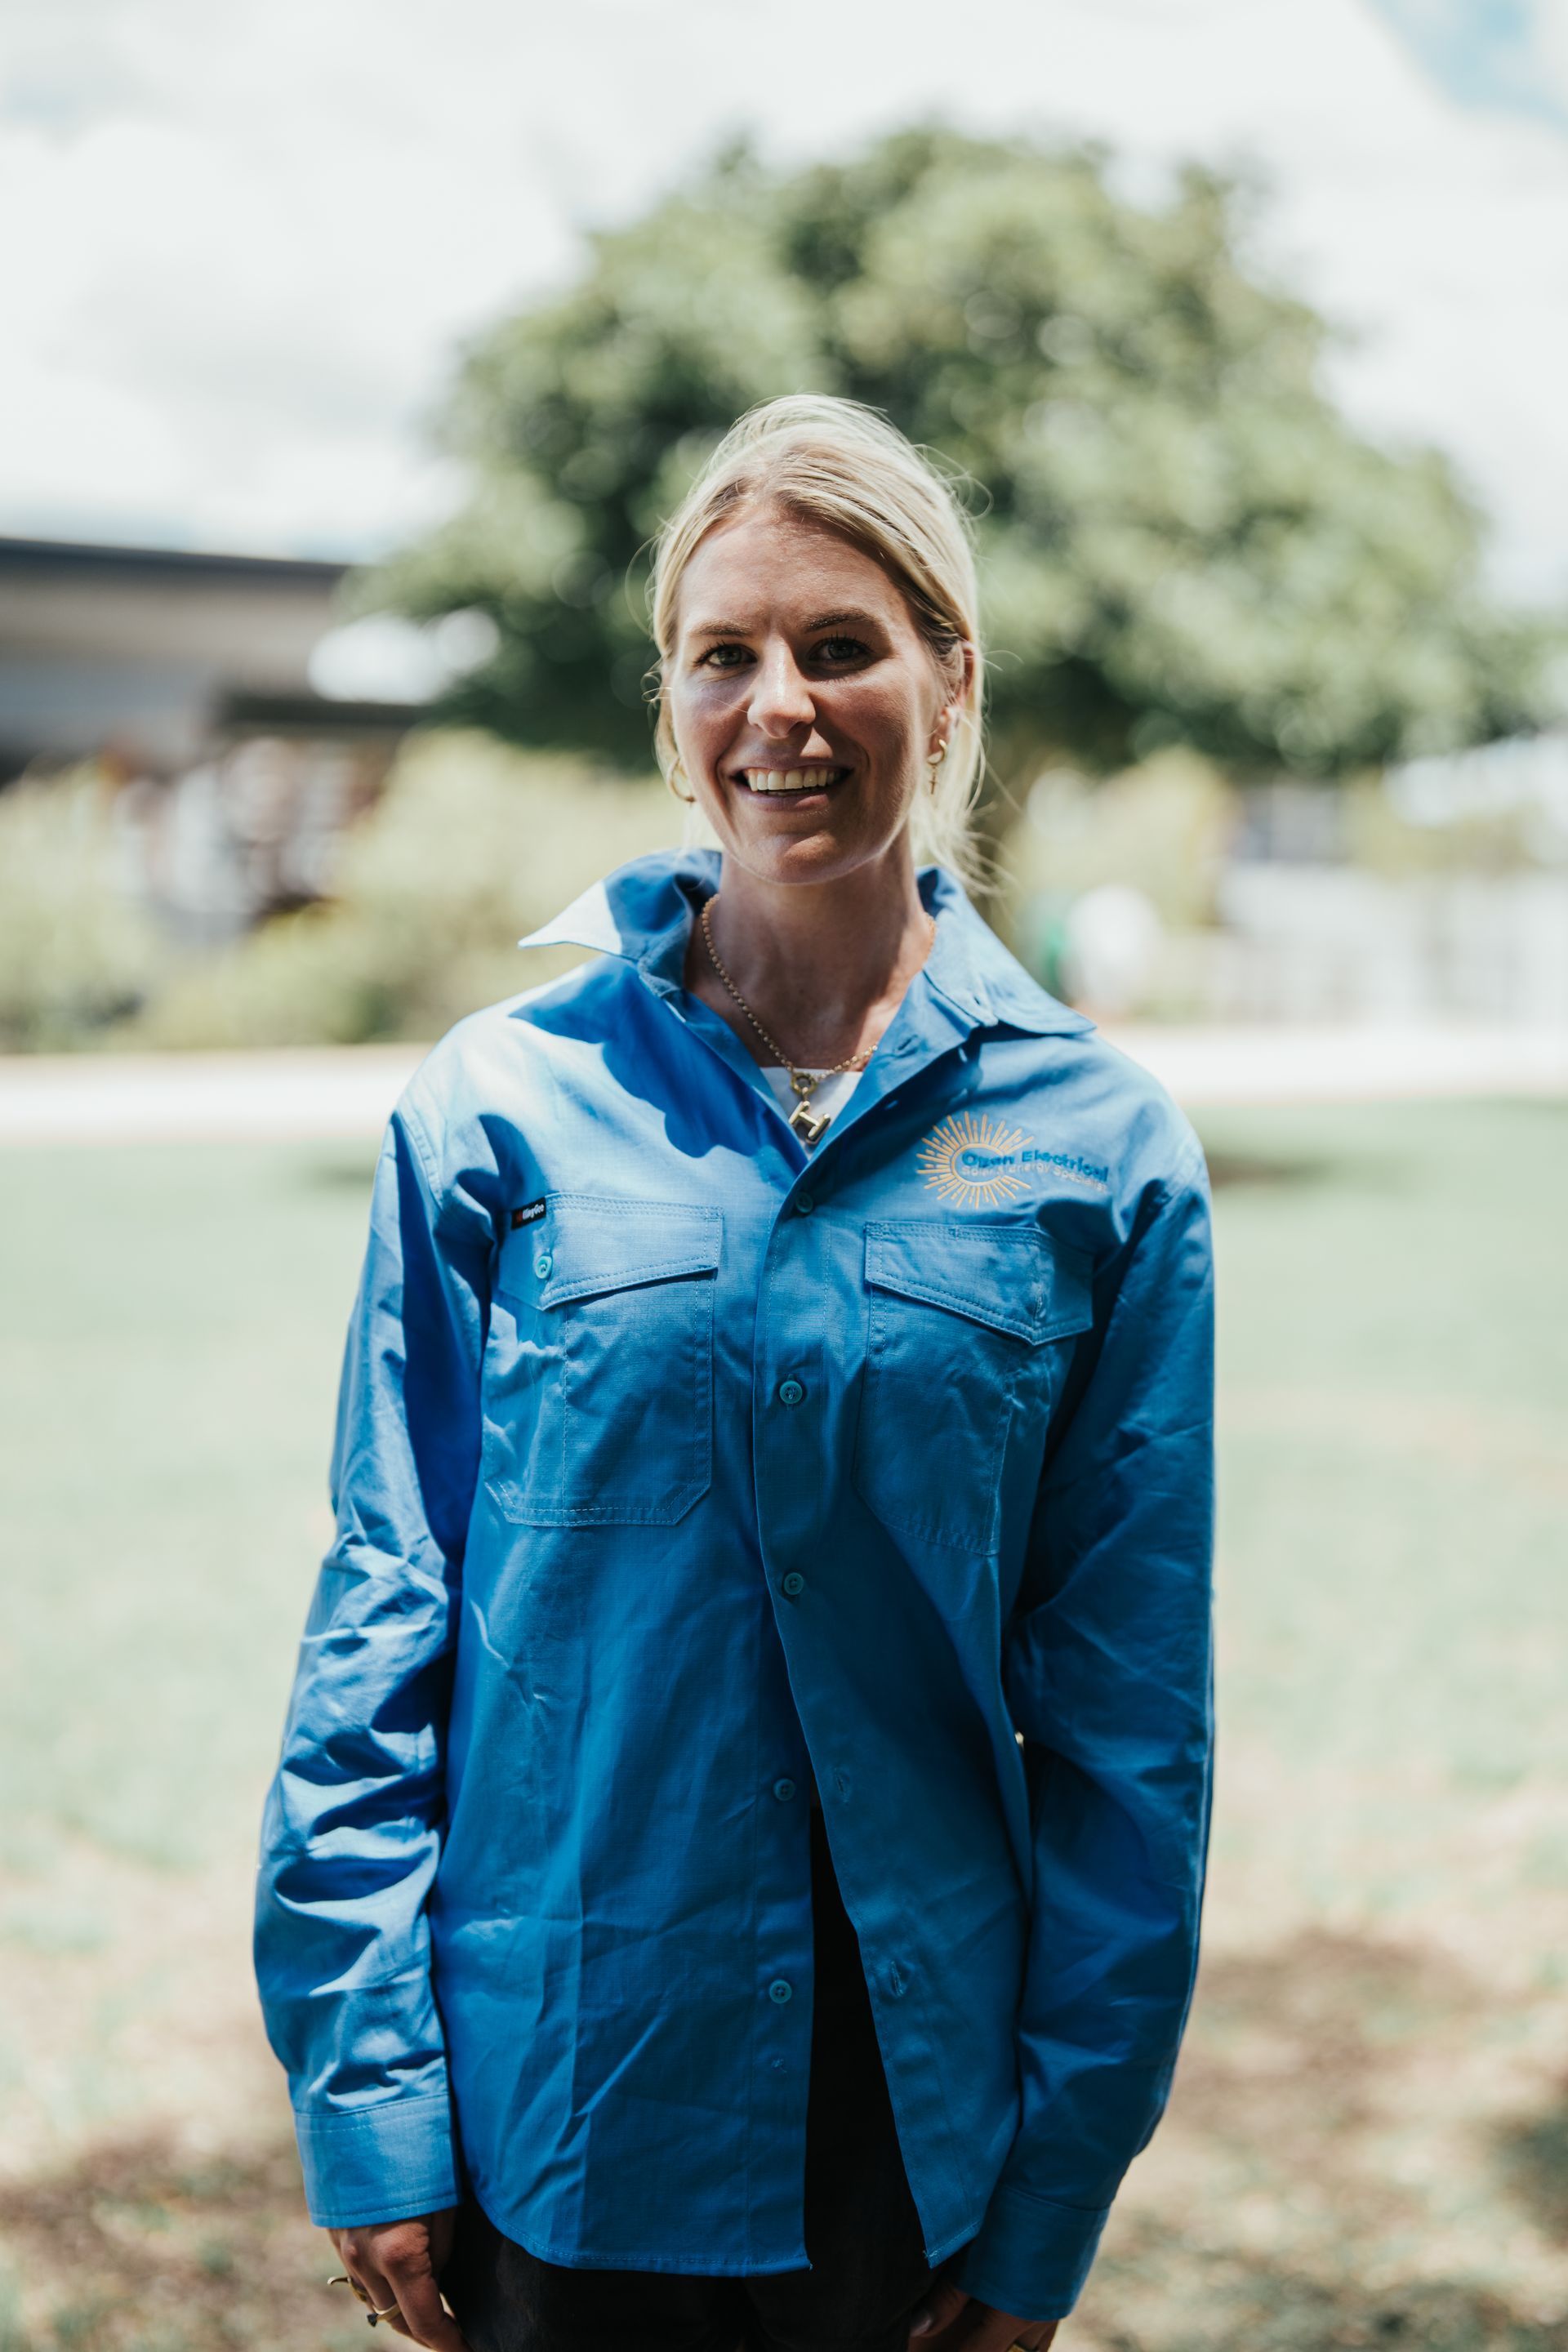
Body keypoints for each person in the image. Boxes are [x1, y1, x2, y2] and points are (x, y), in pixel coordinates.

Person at [254, 395, 1215, 2352]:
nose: (778, 703)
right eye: (725, 654)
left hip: (916, 2141)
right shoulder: (494, 1113)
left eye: (840, 645)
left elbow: (1130, 1724)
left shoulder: (1105, 1155)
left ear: (949, 682)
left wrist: (1052, 2191)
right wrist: (371, 2101)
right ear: (670, 702)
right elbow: (384, 1615)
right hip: (565, 2098)